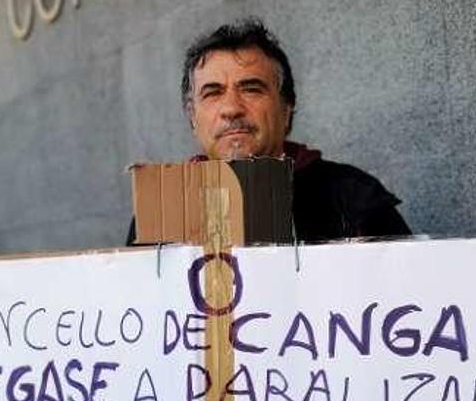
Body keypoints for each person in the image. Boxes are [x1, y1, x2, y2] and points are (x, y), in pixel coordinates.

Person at [128, 19, 411, 244]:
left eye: (251, 89)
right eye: (213, 93)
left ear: (286, 108)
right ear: (192, 116)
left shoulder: (352, 198)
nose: (231, 108)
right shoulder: (164, 211)